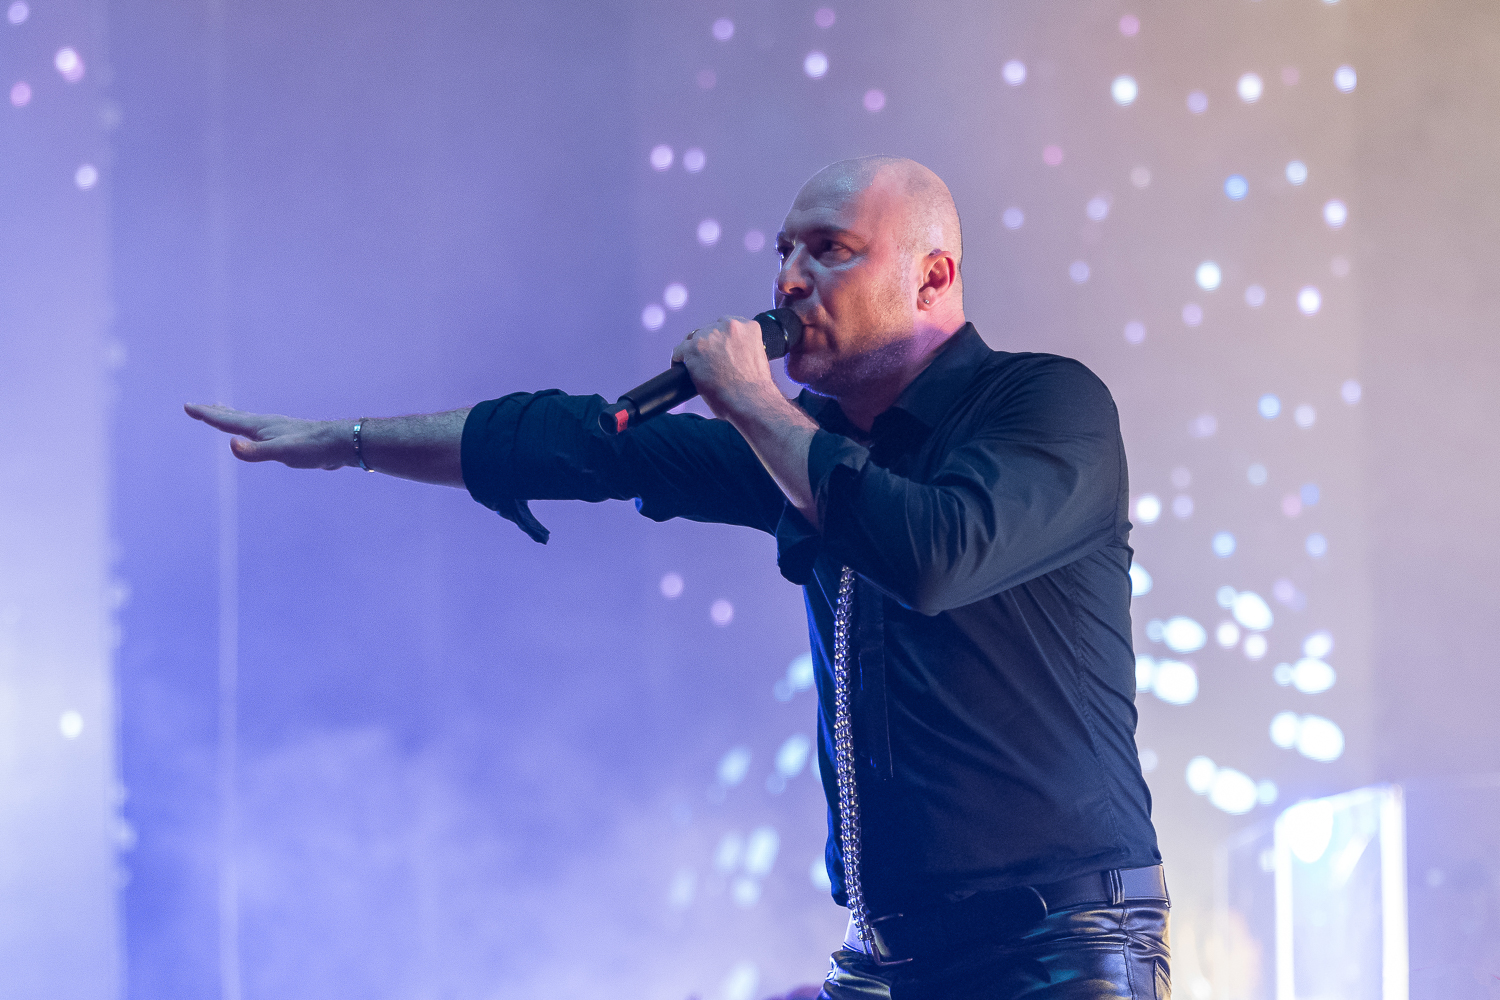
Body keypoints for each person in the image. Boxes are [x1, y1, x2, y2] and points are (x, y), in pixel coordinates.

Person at [187, 156, 1170, 999]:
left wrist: (748, 399)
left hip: (1055, 941)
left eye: (830, 250)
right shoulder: (805, 447)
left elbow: (934, 553)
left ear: (933, 275)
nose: (790, 279)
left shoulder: (1045, 404)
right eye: (784, 251)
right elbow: (588, 444)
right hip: (886, 955)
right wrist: (351, 441)